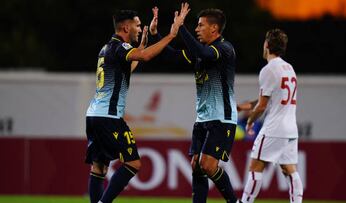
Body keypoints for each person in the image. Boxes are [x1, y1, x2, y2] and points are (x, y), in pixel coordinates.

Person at [85, 8, 189, 203]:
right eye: (138, 25)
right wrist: (171, 35)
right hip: (109, 117)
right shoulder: (119, 47)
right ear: (126, 27)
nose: (141, 28)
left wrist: (139, 50)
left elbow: (127, 68)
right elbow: (147, 56)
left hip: (94, 115)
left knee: (99, 168)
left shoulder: (106, 48)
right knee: (133, 163)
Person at [148, 3, 239, 203]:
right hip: (203, 118)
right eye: (196, 26)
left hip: (221, 118)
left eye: (200, 25)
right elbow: (169, 56)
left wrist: (181, 27)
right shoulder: (201, 51)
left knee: (207, 165)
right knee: (196, 165)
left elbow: (204, 54)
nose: (197, 29)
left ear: (214, 28)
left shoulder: (224, 49)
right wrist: (156, 35)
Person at [238, 29, 303, 203]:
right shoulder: (289, 68)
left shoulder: (268, 69)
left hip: (274, 128)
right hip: (290, 129)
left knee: (255, 167)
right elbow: (270, 98)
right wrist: (243, 106)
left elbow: (262, 106)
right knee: (290, 170)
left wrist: (250, 121)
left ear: (266, 45)